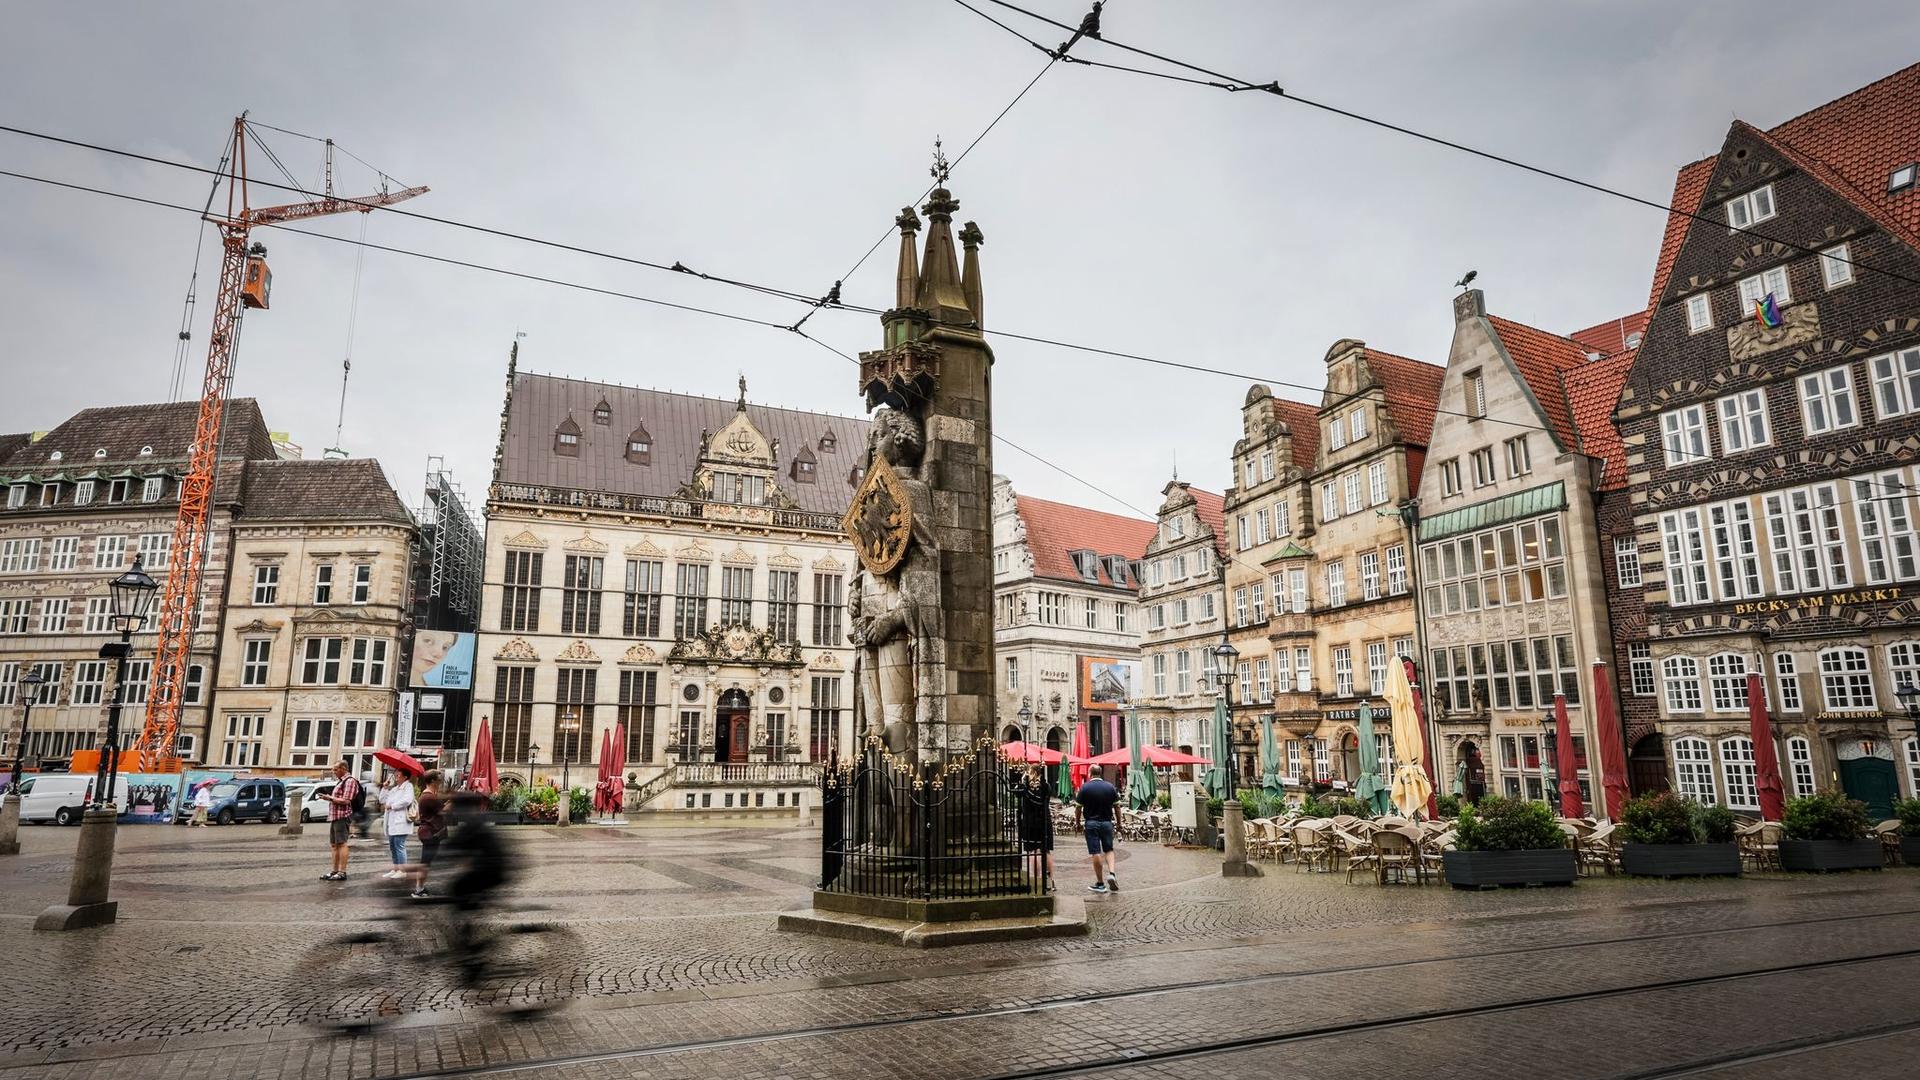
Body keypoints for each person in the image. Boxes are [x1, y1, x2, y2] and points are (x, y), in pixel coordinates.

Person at [1075, 764, 1121, 894]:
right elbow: (1117, 807)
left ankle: (1100, 884)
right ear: (1100, 773)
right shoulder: (1110, 787)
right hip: (1107, 823)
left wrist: (1078, 823)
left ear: (1090, 773)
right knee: (1109, 849)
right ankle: (1112, 873)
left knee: (1095, 852)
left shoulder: (1085, 788)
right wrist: (1119, 824)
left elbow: (1078, 808)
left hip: (1091, 823)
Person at [320, 761, 361, 882]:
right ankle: (334, 870)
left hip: (342, 816)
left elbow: (346, 800)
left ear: (343, 768)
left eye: (336, 769)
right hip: (335, 816)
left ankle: (342, 871)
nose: (334, 772)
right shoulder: (341, 781)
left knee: (342, 843)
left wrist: (330, 798)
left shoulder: (350, 781)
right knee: (334, 844)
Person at [1015, 766, 1055, 891]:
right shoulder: (1046, 785)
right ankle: (1050, 881)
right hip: (1044, 821)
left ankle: (1037, 880)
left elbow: (1017, 794)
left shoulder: (1024, 787)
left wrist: (1023, 782)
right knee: (1046, 850)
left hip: (1029, 822)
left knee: (1033, 851)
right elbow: (1045, 800)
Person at [410, 771, 447, 899]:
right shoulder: (428, 797)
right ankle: (418, 889)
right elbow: (443, 811)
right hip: (430, 833)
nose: (440, 781)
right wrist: (455, 800)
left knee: (426, 862)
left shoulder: (429, 795)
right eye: (438, 779)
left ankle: (420, 887)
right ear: (432, 781)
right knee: (425, 863)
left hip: (429, 832)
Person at [380, 770, 416, 880]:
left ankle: (402, 870)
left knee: (399, 845)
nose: (396, 777)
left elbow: (407, 800)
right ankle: (396, 869)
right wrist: (385, 788)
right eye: (396, 775)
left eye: (398, 775)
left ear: (405, 777)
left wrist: (392, 806)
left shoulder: (408, 786)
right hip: (392, 822)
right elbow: (382, 800)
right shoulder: (395, 789)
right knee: (393, 846)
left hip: (401, 821)